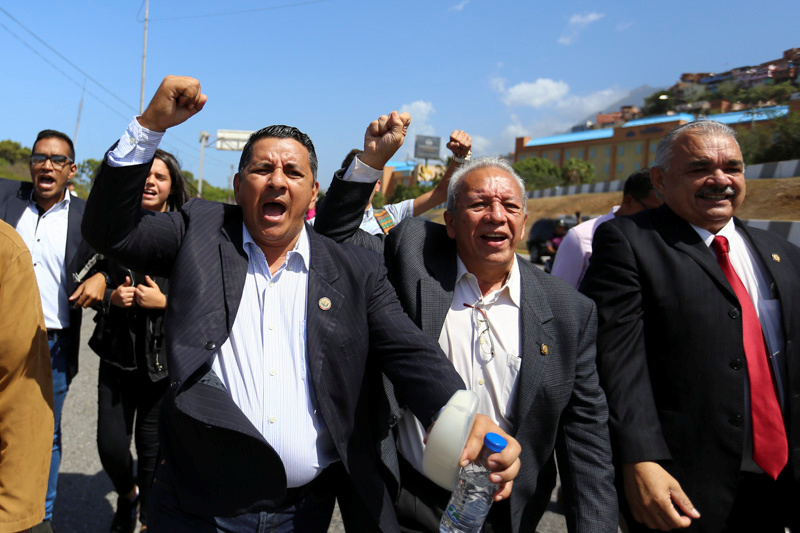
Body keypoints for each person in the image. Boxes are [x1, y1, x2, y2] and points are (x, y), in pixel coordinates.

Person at [82, 75, 520, 532]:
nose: (277, 181)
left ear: (313, 193)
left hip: (304, 514)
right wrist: (150, 127)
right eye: (261, 170)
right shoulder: (200, 229)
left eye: (293, 173)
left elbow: (409, 352)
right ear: (237, 185)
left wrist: (459, 413)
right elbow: (110, 231)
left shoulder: (354, 268)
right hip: (195, 507)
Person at [315, 127, 618, 532]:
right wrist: (371, 162)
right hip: (408, 499)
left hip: (505, 513)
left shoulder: (569, 310)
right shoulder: (411, 254)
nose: (497, 215)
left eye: (510, 206)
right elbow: (334, 240)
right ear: (451, 223)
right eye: (479, 204)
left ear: (524, 223)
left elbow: (587, 440)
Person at [580, 119, 800, 532]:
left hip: (779, 487)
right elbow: (616, 361)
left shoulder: (782, 254)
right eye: (700, 168)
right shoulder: (629, 242)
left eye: (732, 168)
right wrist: (639, 458)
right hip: (683, 487)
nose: (720, 180)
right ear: (660, 180)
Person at [0, 129, 106, 533]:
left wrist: (101, 279)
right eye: (40, 157)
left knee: (44, 432)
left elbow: (117, 249)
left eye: (57, 160)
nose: (47, 165)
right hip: (4, 336)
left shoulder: (85, 215)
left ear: (71, 170)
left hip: (54, 341)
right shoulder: (6, 199)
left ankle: (39, 517)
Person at [89, 149, 190, 533]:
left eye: (160, 177)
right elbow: (83, 272)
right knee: (111, 447)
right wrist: (109, 294)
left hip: (161, 365)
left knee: (153, 455)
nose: (150, 181)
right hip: (116, 358)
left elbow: (207, 293)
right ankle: (127, 495)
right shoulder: (110, 226)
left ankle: (148, 519)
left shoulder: (186, 231)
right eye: (144, 174)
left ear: (171, 187)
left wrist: (165, 302)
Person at [0, 220, 54, 533]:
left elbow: (18, 394)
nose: (46, 166)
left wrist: (13, 511)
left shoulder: (7, 249)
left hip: (49, 338)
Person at [337, 130, 471, 235]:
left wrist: (460, 158)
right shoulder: (324, 224)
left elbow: (441, 193)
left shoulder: (391, 215)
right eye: (356, 178)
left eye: (368, 177)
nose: (361, 185)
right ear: (344, 182)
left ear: (378, 184)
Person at [551, 169, 662, 288]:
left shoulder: (658, 241)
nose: (656, 219)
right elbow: (558, 296)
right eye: (651, 212)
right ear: (628, 201)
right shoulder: (581, 237)